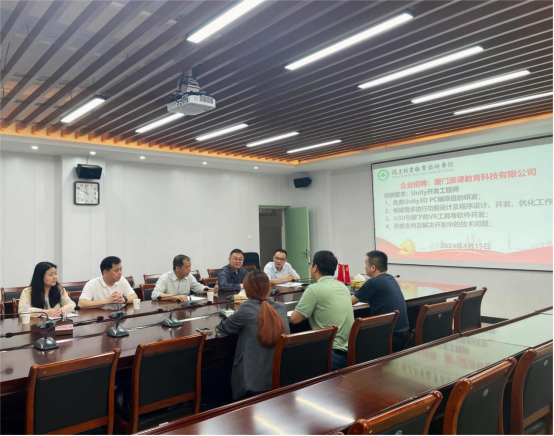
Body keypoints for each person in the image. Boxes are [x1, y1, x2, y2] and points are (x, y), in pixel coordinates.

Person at [216, 270, 290, 399]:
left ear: (247, 291)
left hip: (253, 381)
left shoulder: (246, 309)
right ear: (269, 288)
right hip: (281, 377)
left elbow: (223, 328)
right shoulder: (281, 307)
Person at [290, 250, 354, 371]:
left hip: (330, 355)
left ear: (315, 268)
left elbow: (295, 319)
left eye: (311, 265)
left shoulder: (314, 289)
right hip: (351, 353)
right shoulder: (343, 287)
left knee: (290, 359)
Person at [351, 251, 410, 352]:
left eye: (366, 263)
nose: (365, 266)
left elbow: (349, 301)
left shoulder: (373, 283)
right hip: (403, 336)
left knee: (355, 338)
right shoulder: (391, 279)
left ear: (373, 268)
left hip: (390, 338)